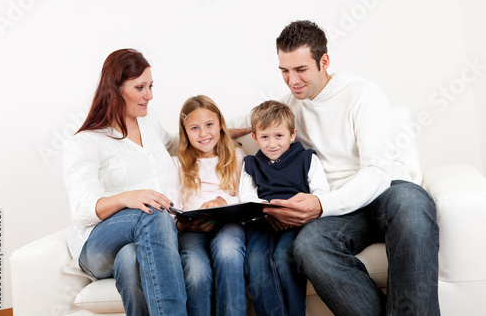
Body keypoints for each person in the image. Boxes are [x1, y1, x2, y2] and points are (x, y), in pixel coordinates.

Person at [231, 20, 440, 315]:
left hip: (383, 194)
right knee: (307, 247)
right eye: (284, 71)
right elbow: (239, 120)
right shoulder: (290, 104)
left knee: (412, 203)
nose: (292, 81)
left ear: (324, 61)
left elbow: (377, 173)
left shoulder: (363, 94)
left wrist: (318, 203)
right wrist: (202, 132)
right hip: (340, 211)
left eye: (300, 70)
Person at [63, 49, 187, 316]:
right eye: (140, 87)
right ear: (115, 90)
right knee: (153, 212)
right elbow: (82, 209)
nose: (149, 95)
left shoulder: (149, 121)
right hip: (97, 244)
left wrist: (218, 131)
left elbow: (175, 145)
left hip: (145, 238)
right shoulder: (86, 142)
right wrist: (125, 198)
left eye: (151, 86)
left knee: (130, 260)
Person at [239, 100, 330, 316]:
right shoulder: (251, 164)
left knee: (283, 258)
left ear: (292, 134)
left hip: (296, 221)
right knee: (256, 261)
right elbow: (247, 197)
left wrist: (293, 210)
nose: (272, 144)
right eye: (264, 137)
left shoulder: (307, 158)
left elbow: (321, 194)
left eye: (279, 136)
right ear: (254, 137)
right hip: (262, 222)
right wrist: (269, 211)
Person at [171, 95, 247, 316]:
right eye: (194, 128)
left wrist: (223, 201)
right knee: (196, 271)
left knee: (228, 253)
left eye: (209, 125)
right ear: (184, 133)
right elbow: (172, 202)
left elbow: (248, 194)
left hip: (229, 224)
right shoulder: (178, 164)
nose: (204, 134)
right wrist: (183, 224)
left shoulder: (237, 156)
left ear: (221, 125)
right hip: (191, 228)